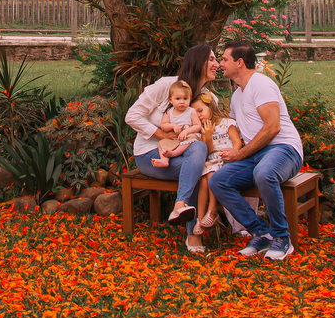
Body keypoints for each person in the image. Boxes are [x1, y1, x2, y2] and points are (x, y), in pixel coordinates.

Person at [209, 41, 304, 262]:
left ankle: (282, 237)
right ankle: (261, 232)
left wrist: (241, 154)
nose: (221, 64)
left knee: (264, 173)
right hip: (257, 153)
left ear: (240, 62)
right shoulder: (236, 96)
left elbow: (273, 127)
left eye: (225, 59)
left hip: (284, 149)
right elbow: (238, 133)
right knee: (219, 181)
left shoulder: (261, 84)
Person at [125, 44, 219, 254]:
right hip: (151, 154)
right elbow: (131, 116)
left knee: (199, 151)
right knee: (196, 168)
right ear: (198, 62)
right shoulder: (167, 86)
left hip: (187, 152)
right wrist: (162, 134)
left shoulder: (207, 99)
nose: (217, 64)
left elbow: (205, 139)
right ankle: (194, 236)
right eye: (212, 59)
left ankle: (180, 206)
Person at [189, 93, 241, 234]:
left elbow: (237, 142)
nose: (199, 115)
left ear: (211, 107)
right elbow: (208, 150)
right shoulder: (202, 129)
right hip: (211, 160)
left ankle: (212, 210)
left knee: (211, 174)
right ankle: (200, 219)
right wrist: (208, 135)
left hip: (226, 160)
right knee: (203, 182)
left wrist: (233, 154)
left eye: (201, 110)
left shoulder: (227, 123)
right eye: (195, 113)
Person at [151, 80, 203, 167]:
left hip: (187, 137)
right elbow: (163, 125)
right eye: (178, 99)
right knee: (161, 144)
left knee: (193, 137)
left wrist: (186, 132)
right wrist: (172, 125)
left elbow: (198, 126)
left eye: (185, 99)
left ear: (190, 99)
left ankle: (174, 153)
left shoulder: (191, 111)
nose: (182, 102)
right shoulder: (169, 112)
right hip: (174, 138)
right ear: (171, 100)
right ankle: (164, 160)